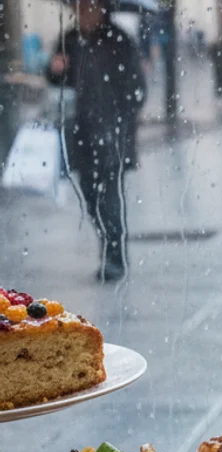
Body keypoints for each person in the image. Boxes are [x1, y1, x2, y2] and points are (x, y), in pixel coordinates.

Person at [46, 0, 145, 283]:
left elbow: (138, 89)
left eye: (89, 6)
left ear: (102, 8)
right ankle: (107, 247)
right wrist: (55, 70)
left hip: (113, 134)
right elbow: (56, 81)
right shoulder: (68, 39)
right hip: (80, 132)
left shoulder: (119, 40)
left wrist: (120, 121)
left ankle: (115, 258)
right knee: (90, 197)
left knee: (110, 198)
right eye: (78, 6)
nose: (83, 11)